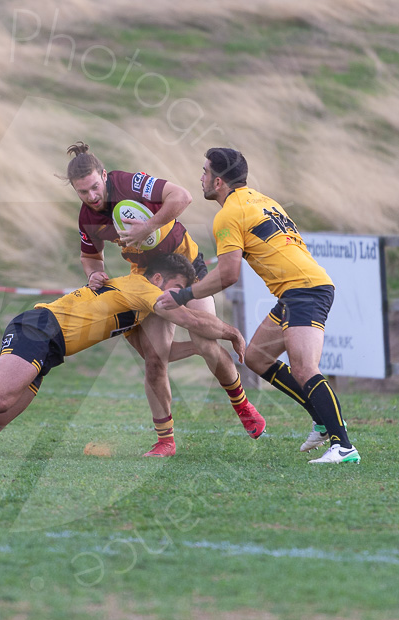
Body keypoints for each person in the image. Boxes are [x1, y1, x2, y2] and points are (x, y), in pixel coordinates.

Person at [0, 254, 244, 455]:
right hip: (38, 327)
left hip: (51, 348)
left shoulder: (139, 307)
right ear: (159, 279)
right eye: (177, 288)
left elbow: (155, 354)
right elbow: (188, 316)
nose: (177, 295)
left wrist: (199, 348)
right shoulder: (144, 288)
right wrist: (229, 332)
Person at [158, 147, 360, 464]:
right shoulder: (263, 200)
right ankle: (322, 422)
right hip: (299, 289)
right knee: (256, 357)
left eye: (205, 172)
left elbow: (227, 275)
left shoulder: (228, 215)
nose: (202, 178)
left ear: (219, 181)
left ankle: (344, 446)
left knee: (306, 368)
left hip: (305, 290)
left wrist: (183, 295)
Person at [64, 142, 263, 458]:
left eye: (94, 187)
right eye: (82, 192)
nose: (91, 196)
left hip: (185, 264)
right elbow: (90, 257)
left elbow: (181, 196)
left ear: (103, 175)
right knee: (154, 360)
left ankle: (242, 405)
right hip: (148, 278)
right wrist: (94, 275)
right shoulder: (87, 217)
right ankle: (165, 442)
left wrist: (149, 226)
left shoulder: (129, 183)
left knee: (208, 342)